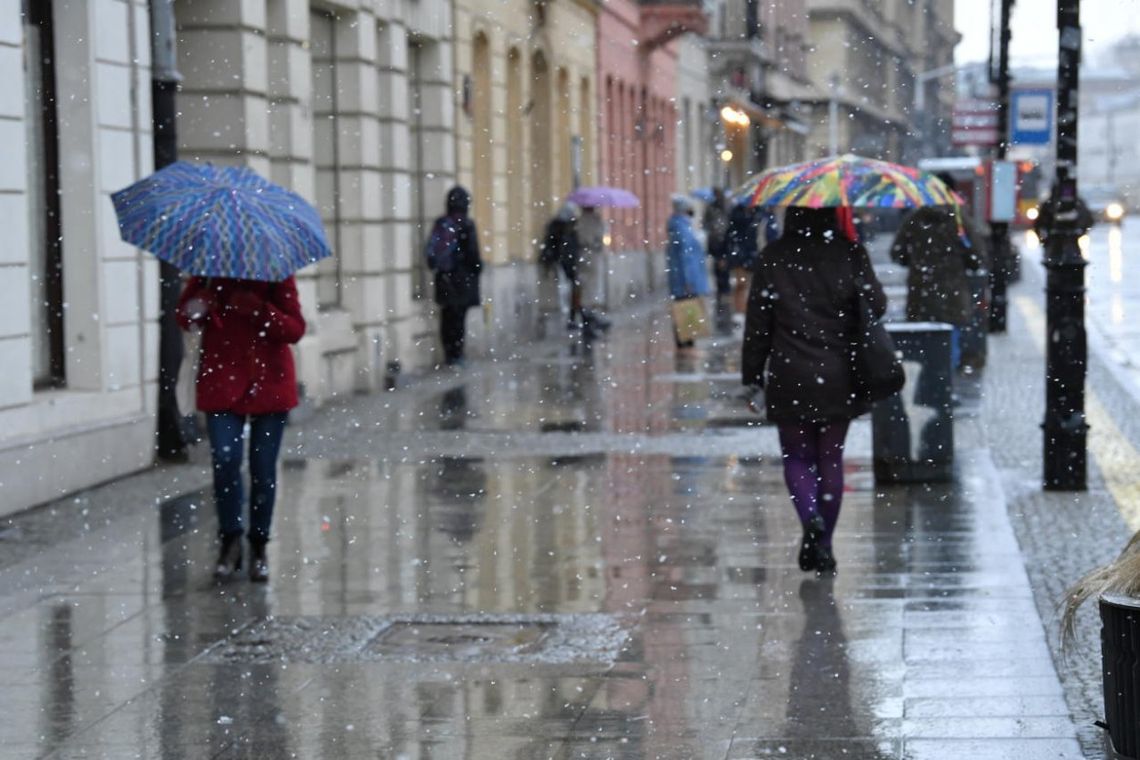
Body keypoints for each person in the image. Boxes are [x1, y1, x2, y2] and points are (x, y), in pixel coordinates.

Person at [742, 207, 886, 575]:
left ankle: (810, 518)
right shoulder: (849, 252)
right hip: (838, 373)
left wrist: (752, 375)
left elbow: (758, 323)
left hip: (789, 373)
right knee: (830, 458)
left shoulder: (773, 257)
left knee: (796, 456)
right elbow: (877, 305)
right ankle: (824, 544)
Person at [176, 275, 306, 582]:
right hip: (221, 381)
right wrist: (200, 304)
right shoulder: (208, 273)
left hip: (269, 382)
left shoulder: (277, 273)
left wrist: (259, 309)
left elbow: (295, 329)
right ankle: (230, 542)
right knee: (225, 459)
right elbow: (184, 316)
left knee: (263, 468)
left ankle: (259, 545)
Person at [890, 205, 983, 371]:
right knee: (950, 345)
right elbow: (976, 256)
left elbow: (897, 252)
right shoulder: (959, 221)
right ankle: (947, 387)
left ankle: (928, 390)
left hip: (921, 297)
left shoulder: (915, 218)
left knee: (923, 350)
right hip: (952, 296)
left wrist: (915, 260)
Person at [428, 186, 482, 366]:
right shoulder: (467, 224)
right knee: (459, 320)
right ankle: (456, 354)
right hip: (462, 279)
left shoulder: (441, 223)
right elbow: (473, 254)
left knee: (447, 317)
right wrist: (477, 268)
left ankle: (449, 354)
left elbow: (431, 253)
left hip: (444, 278)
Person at [666, 195, 711, 348]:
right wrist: (689, 281)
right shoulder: (682, 228)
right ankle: (685, 344)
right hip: (685, 280)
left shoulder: (679, 226)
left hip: (680, 278)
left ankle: (685, 341)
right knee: (686, 309)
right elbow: (686, 257)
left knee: (685, 308)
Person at [541, 202, 584, 331]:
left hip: (567, 265)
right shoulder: (563, 229)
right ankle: (570, 318)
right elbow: (554, 247)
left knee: (571, 291)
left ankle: (572, 318)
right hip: (563, 265)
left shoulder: (569, 230)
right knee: (567, 292)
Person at [575, 206, 612, 333]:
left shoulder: (579, 221)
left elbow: (579, 236)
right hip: (593, 256)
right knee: (592, 289)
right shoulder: (596, 220)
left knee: (584, 287)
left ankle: (587, 319)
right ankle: (589, 321)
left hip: (582, 256)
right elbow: (601, 238)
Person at [703, 189, 732, 313]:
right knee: (720, 272)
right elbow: (707, 224)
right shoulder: (715, 208)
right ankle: (723, 294)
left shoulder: (724, 207)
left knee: (722, 272)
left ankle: (723, 294)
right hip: (717, 243)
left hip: (722, 242)